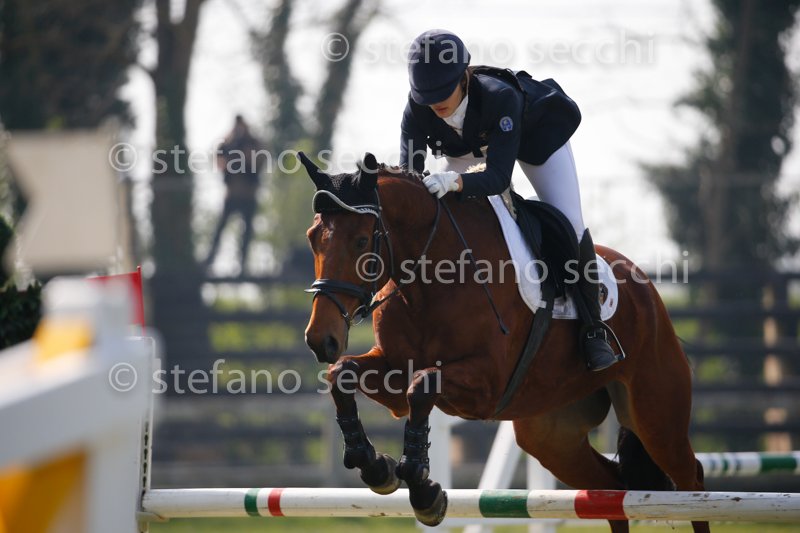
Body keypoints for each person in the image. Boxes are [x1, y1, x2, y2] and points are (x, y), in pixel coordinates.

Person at [399, 29, 618, 372]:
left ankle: (594, 330)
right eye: (427, 96)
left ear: (464, 78)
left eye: (442, 92)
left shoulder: (499, 96)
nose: (435, 103)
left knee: (571, 222)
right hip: (467, 150)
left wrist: (454, 181)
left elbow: (499, 178)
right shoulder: (418, 107)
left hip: (535, 137)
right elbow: (410, 177)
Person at [204, 115, 264, 276]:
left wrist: (245, 155)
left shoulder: (252, 142)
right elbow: (219, 159)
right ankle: (209, 261)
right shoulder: (228, 144)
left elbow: (259, 160)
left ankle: (242, 265)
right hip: (232, 194)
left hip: (248, 194)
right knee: (220, 230)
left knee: (246, 233)